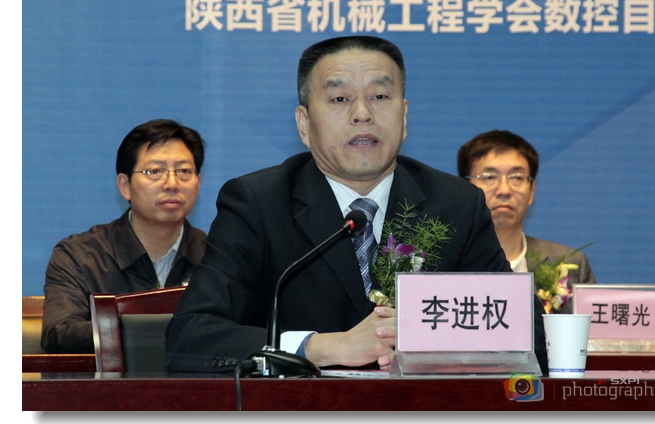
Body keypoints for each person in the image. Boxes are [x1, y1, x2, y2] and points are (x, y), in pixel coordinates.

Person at [166, 36, 548, 374]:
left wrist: (429, 337)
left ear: (404, 116)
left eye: (380, 96)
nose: (362, 113)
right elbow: (192, 335)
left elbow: (527, 333)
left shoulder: (456, 204)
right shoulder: (258, 203)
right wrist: (324, 347)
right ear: (304, 124)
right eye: (339, 99)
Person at [41, 119, 207, 354]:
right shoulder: (80, 256)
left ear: (198, 184)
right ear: (125, 185)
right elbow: (59, 333)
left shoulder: (216, 256)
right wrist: (148, 329)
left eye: (184, 171)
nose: (172, 183)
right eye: (155, 171)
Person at [457, 130, 596, 314]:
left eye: (517, 177)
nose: (504, 190)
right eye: (489, 177)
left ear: (531, 192)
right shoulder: (440, 264)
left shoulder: (570, 265)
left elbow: (591, 332)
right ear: (465, 190)